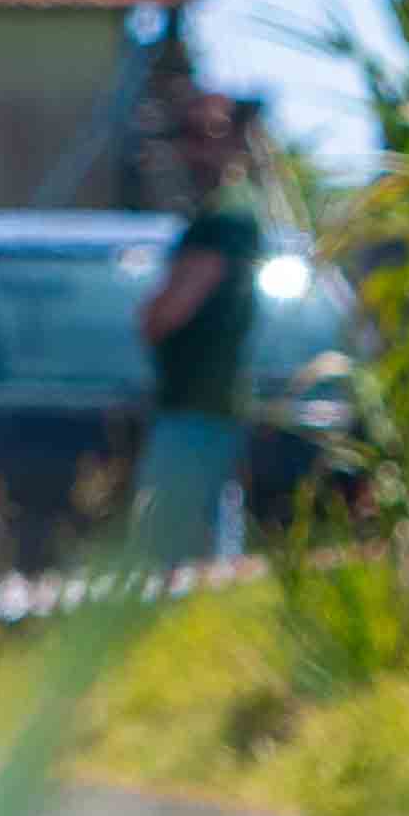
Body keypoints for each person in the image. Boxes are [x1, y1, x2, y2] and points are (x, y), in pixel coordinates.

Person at [126, 95, 268, 564]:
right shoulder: (219, 214)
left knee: (169, 552)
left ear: (235, 141)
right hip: (200, 405)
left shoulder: (226, 218)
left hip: (198, 409)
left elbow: (167, 312)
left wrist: (151, 314)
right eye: (187, 136)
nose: (194, 151)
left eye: (208, 136)